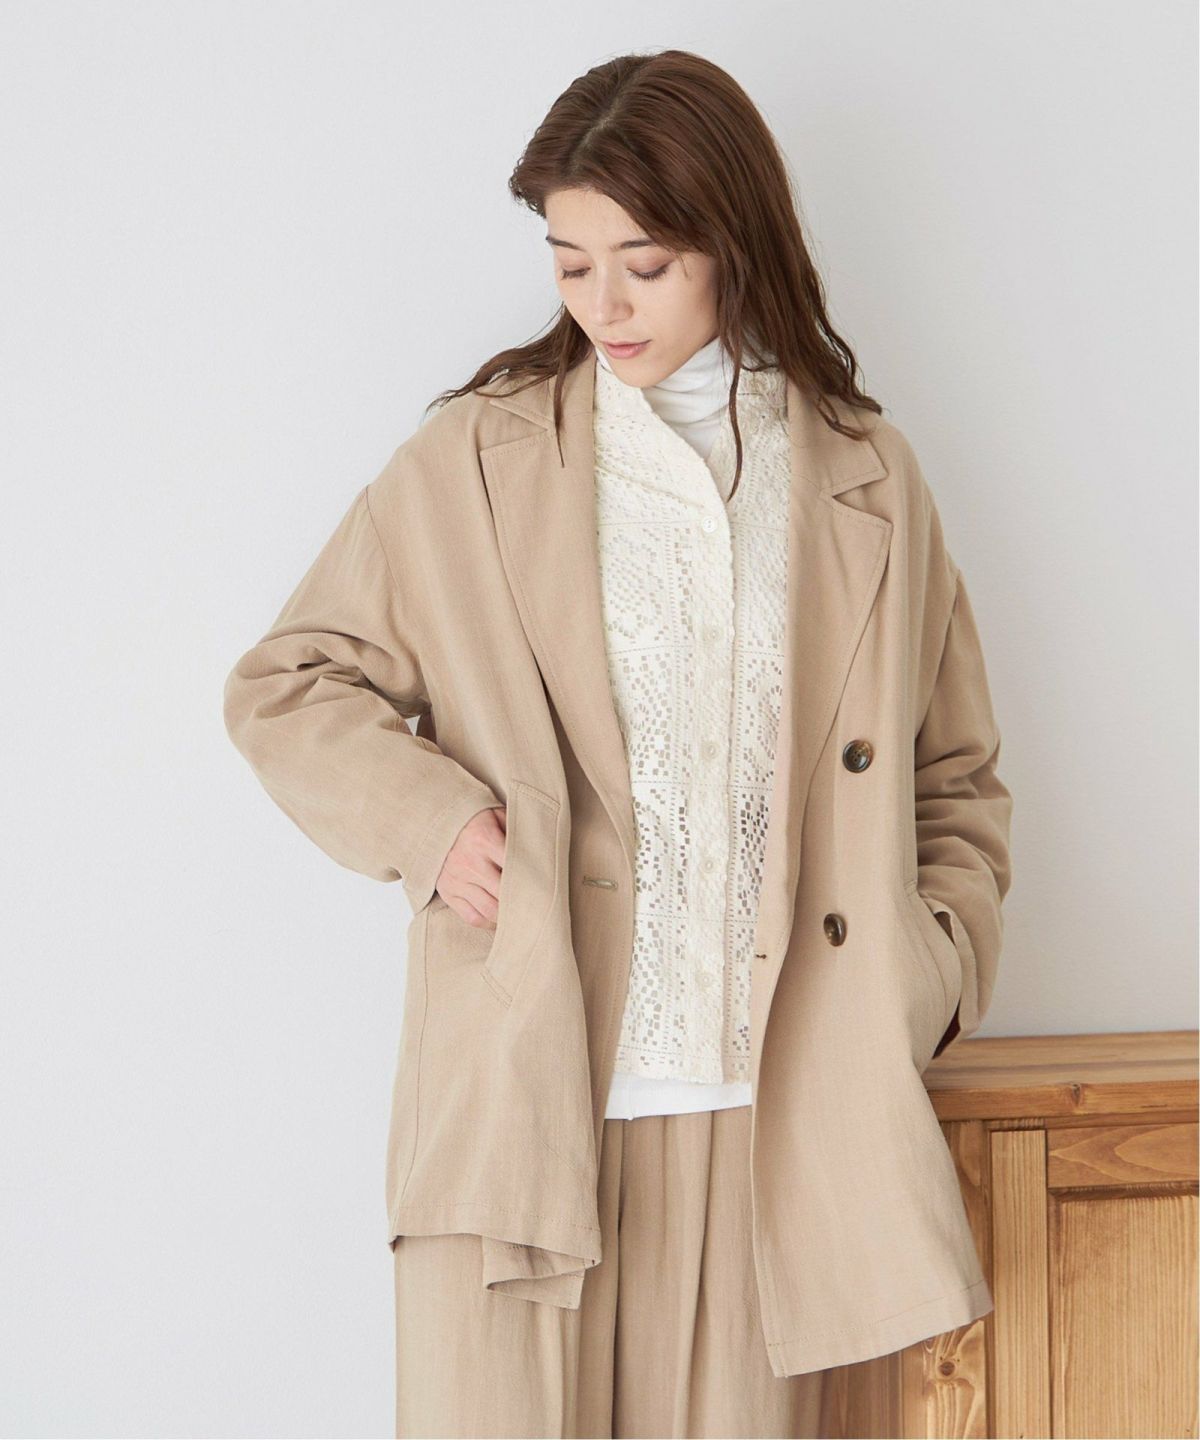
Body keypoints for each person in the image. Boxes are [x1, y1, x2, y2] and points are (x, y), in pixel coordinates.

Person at [223, 48, 1013, 1440]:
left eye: (643, 263)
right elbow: (288, 683)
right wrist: (430, 824)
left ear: (733, 243)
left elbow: (954, 778)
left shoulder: (868, 476)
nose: (604, 304)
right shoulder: (474, 462)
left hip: (783, 1118)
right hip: (532, 1099)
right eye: (570, 262)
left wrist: (925, 967)